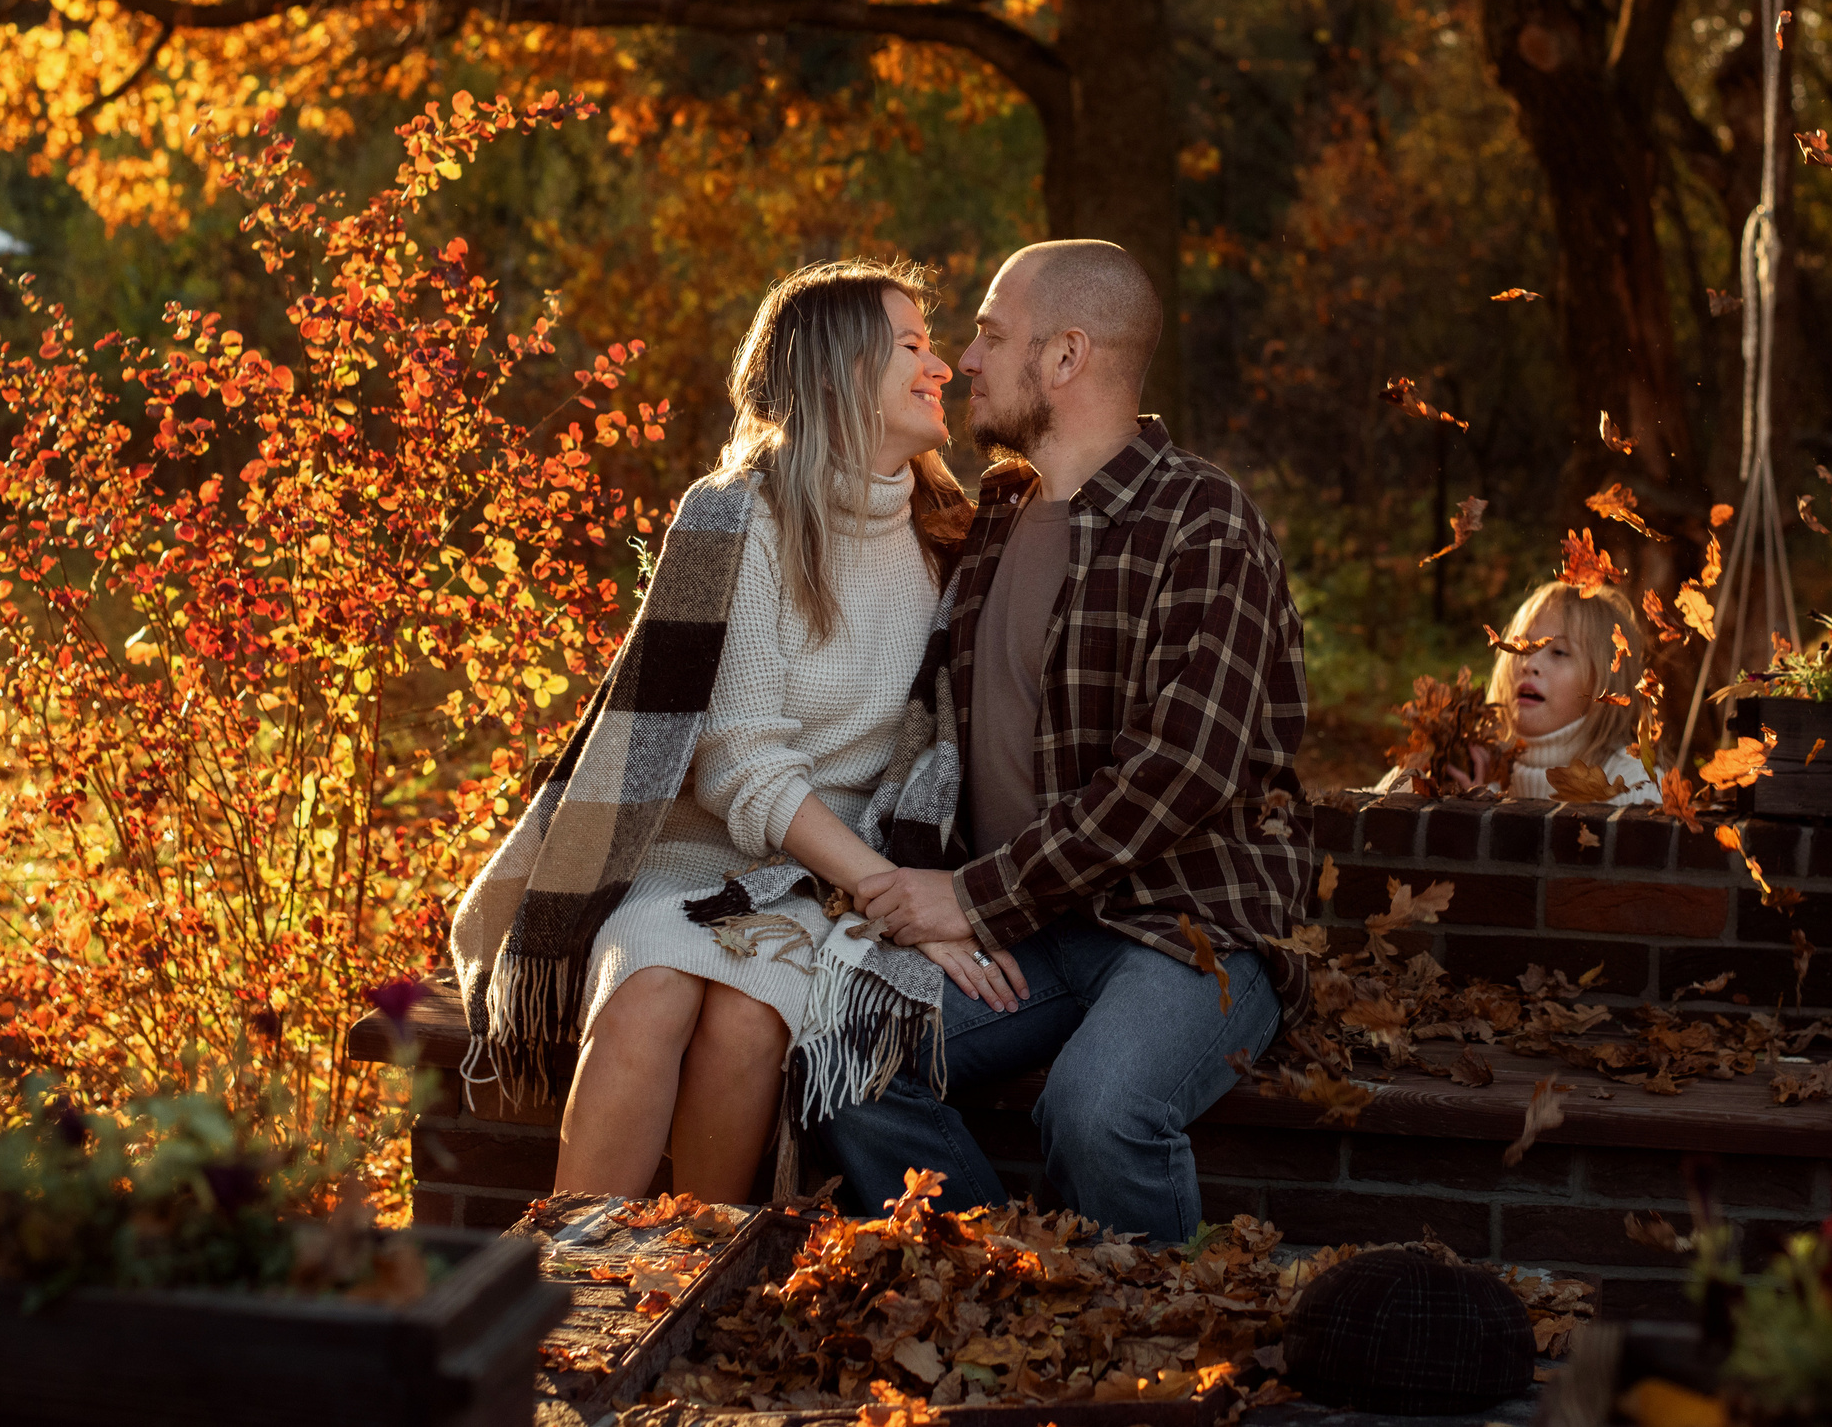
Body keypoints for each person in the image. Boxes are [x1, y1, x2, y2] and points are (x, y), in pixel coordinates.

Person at [447, 259, 1026, 1205]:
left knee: (751, 1022)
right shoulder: (735, 515)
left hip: (822, 877)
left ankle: (697, 1282)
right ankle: (578, 1292)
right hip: (693, 855)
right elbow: (737, 758)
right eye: (913, 345)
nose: (942, 365)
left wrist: (910, 889)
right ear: (841, 371)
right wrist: (893, 895)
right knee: (646, 997)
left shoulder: (946, 537)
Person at [830, 239, 1316, 1243]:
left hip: (1191, 926)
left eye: (991, 336)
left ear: (1066, 357)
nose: (962, 360)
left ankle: (1154, 1371)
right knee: (848, 1058)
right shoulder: (999, 515)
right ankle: (1005, 1297)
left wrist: (971, 894)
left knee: (1098, 1109)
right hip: (1035, 927)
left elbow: (1181, 769)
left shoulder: (1201, 518)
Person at [1485, 581, 1660, 806]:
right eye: (1521, 648)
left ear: (1604, 684)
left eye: (1559, 652)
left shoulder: (1634, 788)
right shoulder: (1475, 770)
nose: (1529, 664)